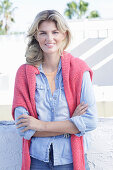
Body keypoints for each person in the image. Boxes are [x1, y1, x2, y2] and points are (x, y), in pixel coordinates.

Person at [12, 10, 97, 170]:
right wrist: (71, 125)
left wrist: (40, 125)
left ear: (64, 34)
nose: (49, 38)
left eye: (55, 32)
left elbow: (91, 121)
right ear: (36, 36)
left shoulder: (79, 70)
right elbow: (24, 128)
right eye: (43, 33)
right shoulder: (24, 73)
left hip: (71, 160)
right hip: (37, 161)